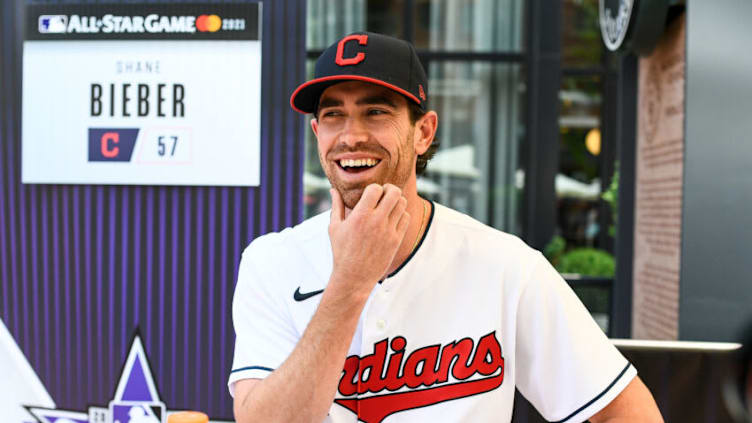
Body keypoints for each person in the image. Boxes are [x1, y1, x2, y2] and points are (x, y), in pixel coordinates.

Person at [229, 32, 663, 423]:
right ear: (316, 132)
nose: (350, 135)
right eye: (333, 115)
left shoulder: (506, 265)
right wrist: (351, 280)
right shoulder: (272, 262)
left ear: (424, 132)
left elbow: (624, 411)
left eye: (376, 111)